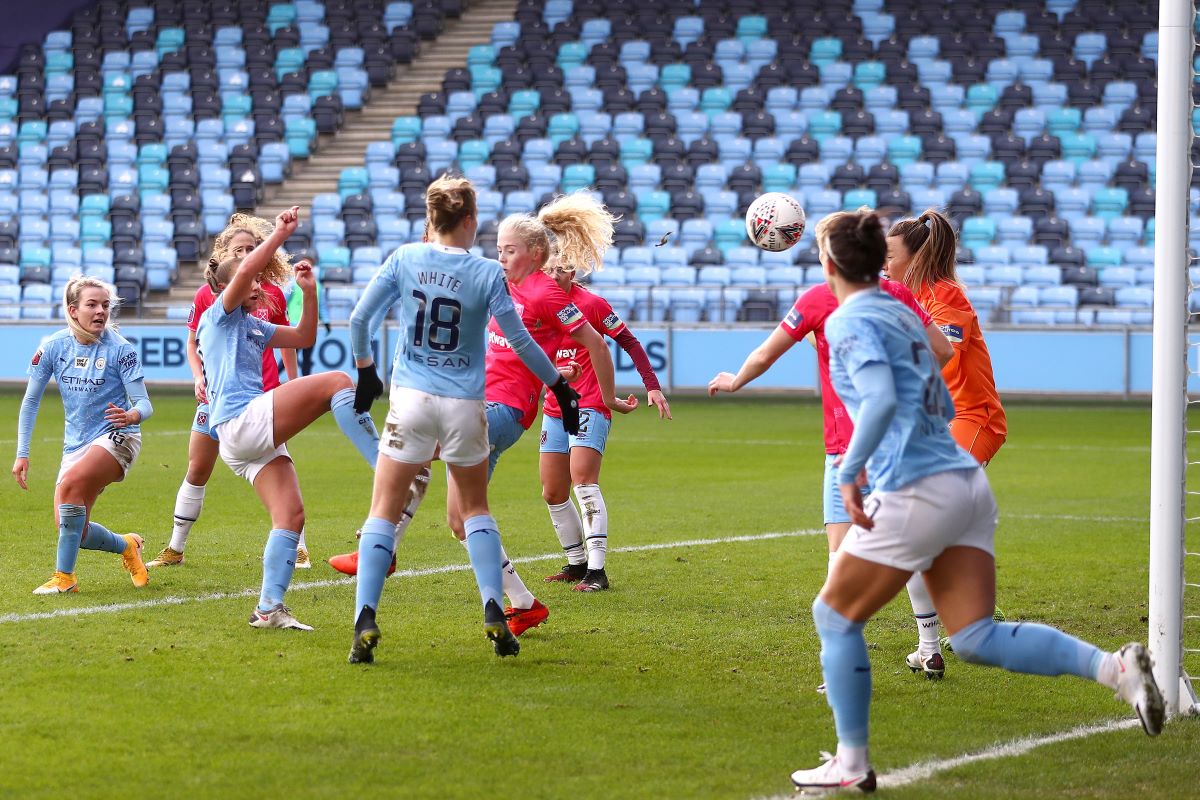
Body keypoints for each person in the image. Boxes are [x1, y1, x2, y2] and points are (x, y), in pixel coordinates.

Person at [786, 208, 1163, 793]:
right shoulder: (903, 308)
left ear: (831, 262)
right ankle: (1118, 671)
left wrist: (851, 471)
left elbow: (882, 397)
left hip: (914, 486)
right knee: (976, 637)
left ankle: (852, 762)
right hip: (962, 481)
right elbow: (940, 353)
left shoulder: (850, 319)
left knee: (833, 615)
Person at [344, 175, 583, 663]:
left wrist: (366, 371)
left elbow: (358, 320)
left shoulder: (405, 258)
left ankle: (365, 619)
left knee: (383, 509)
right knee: (474, 510)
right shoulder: (486, 274)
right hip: (465, 406)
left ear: (431, 218)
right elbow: (520, 341)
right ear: (470, 220)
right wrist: (558, 385)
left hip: (410, 398)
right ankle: (495, 608)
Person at [197, 206, 381, 631]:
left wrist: (310, 292)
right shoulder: (218, 315)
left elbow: (303, 337)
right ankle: (387, 467)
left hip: (242, 439)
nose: (258, 283)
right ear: (227, 286)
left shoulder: (251, 323)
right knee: (336, 381)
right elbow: (243, 276)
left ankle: (268, 608)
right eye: (250, 278)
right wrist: (277, 235)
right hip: (240, 420)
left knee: (291, 517)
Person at [886, 208, 1010, 672]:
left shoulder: (945, 295)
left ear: (914, 257)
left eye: (889, 252)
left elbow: (944, 351)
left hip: (974, 419)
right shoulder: (906, 295)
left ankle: (948, 632)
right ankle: (933, 645)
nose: (882, 259)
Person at [148, 215, 305, 569]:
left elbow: (289, 342)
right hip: (218, 395)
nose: (249, 254)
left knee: (280, 464)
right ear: (225, 254)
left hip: (261, 395)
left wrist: (292, 381)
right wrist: (197, 376)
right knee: (198, 466)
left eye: (252, 248)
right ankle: (175, 547)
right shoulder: (210, 294)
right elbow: (194, 341)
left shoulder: (273, 293)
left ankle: (299, 547)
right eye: (241, 249)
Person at [12, 275, 152, 594]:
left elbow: (144, 403)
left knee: (73, 485)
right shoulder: (53, 346)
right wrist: (22, 452)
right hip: (77, 443)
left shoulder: (121, 349)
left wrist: (132, 414)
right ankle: (127, 546)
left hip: (120, 436)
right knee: (73, 529)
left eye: (105, 305)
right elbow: (31, 399)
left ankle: (65, 578)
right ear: (74, 310)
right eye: (92, 304)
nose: (101, 310)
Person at [539, 255, 671, 592]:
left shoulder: (591, 304)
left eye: (559, 270)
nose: (553, 275)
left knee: (582, 482)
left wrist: (652, 386)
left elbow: (628, 341)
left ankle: (597, 572)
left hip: (590, 403)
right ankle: (575, 563)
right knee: (553, 491)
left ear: (572, 272)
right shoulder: (539, 301)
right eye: (548, 269)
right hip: (555, 405)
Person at [283, 253, 331, 376]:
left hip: (310, 328)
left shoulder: (318, 286)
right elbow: (282, 301)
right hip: (294, 327)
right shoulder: (292, 284)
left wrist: (326, 321)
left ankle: (305, 385)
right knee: (290, 358)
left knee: (307, 359)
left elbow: (322, 305)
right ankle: (275, 380)